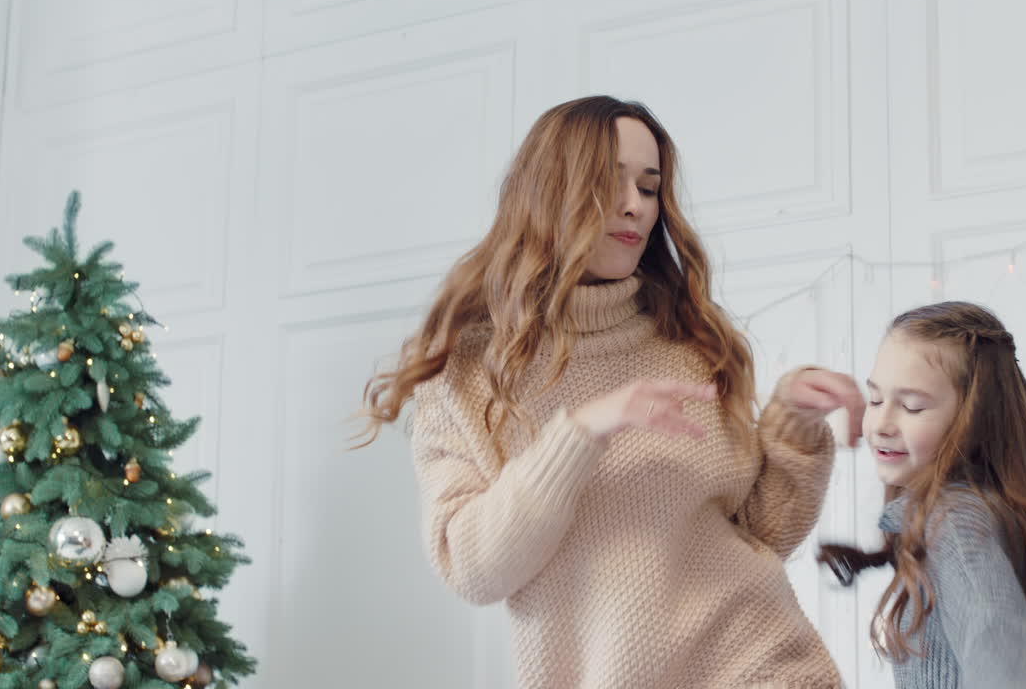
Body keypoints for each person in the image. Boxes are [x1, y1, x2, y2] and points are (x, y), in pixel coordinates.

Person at [359, 95, 865, 688]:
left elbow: (759, 534)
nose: (634, 207)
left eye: (649, 188)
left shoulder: (691, 341)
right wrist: (577, 435)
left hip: (763, 666)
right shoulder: (469, 375)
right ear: (552, 190)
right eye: (609, 183)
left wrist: (794, 426)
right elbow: (474, 569)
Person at [817, 301, 1026, 689]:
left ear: (973, 418)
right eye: (874, 399)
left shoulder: (952, 520)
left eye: (911, 406)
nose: (881, 423)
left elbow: (1003, 652)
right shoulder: (977, 510)